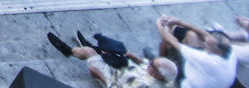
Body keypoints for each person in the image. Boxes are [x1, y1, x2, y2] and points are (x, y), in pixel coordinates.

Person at [45, 31, 178, 86]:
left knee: (88, 52)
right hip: (124, 66)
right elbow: (144, 63)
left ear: (158, 74)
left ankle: (69, 51)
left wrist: (100, 77)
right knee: (114, 48)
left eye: (153, 64)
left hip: (112, 75)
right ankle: (95, 48)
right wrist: (132, 56)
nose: (150, 62)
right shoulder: (154, 71)